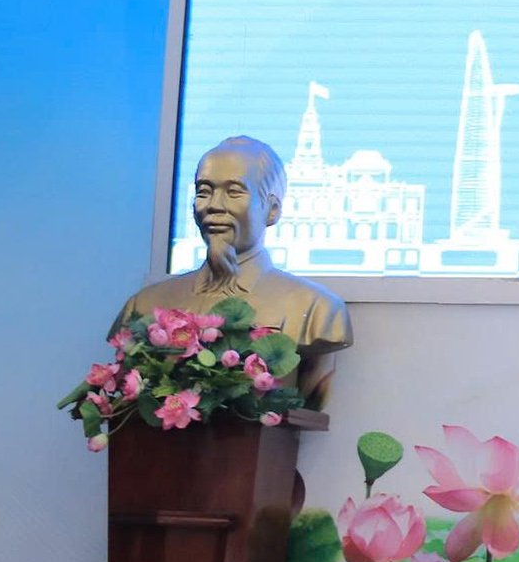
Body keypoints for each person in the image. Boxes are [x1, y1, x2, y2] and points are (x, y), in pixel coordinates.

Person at [118, 136, 350, 403]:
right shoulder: (145, 304)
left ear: (272, 210)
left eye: (234, 191)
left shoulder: (317, 309)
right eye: (204, 191)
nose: (214, 205)